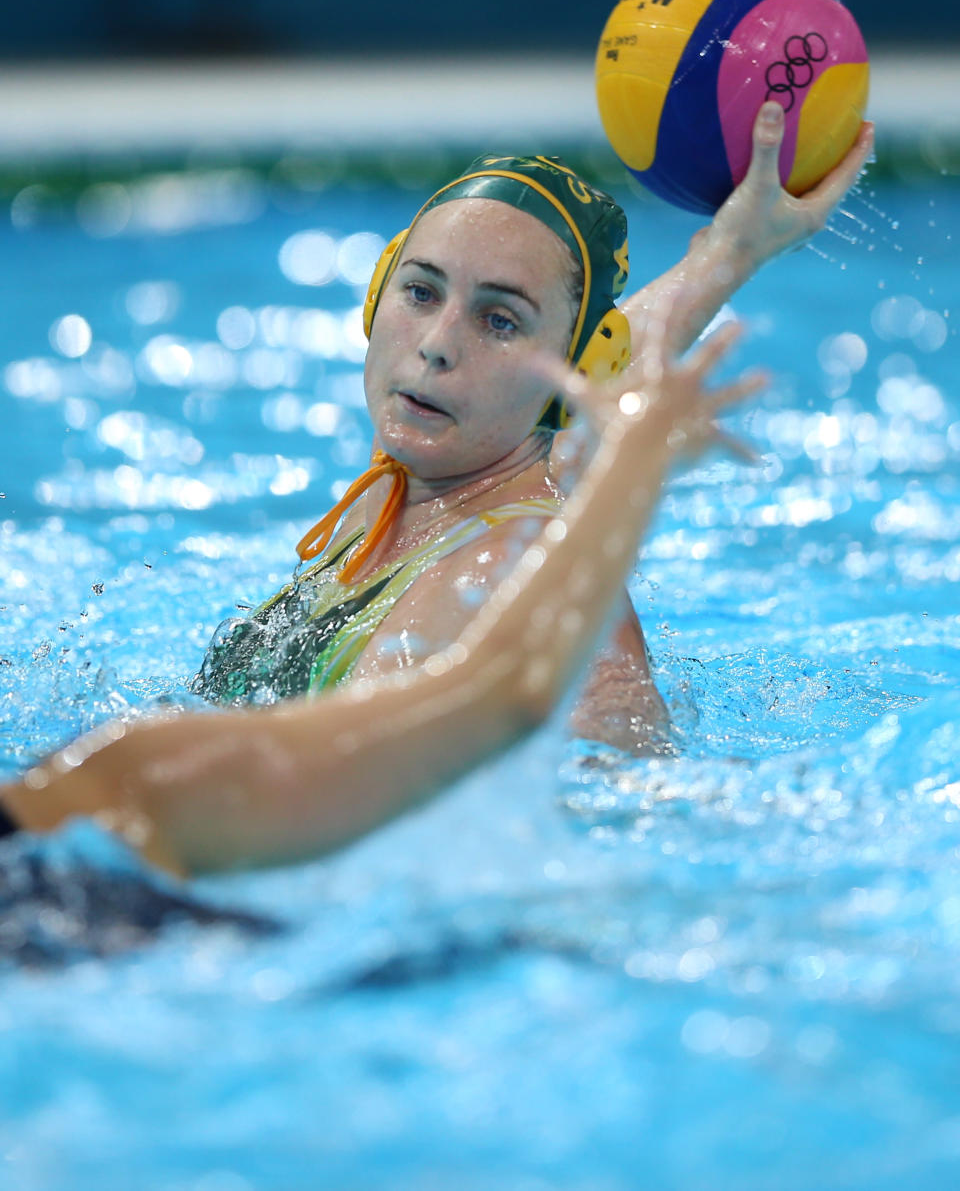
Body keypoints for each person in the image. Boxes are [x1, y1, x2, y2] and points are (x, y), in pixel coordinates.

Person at [0, 103, 873, 878]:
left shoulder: (500, 557)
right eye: (420, 293)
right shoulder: (427, 493)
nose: (437, 345)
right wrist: (729, 250)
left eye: (497, 320)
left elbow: (550, 766)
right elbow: (570, 366)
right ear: (378, 297)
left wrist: (631, 469)